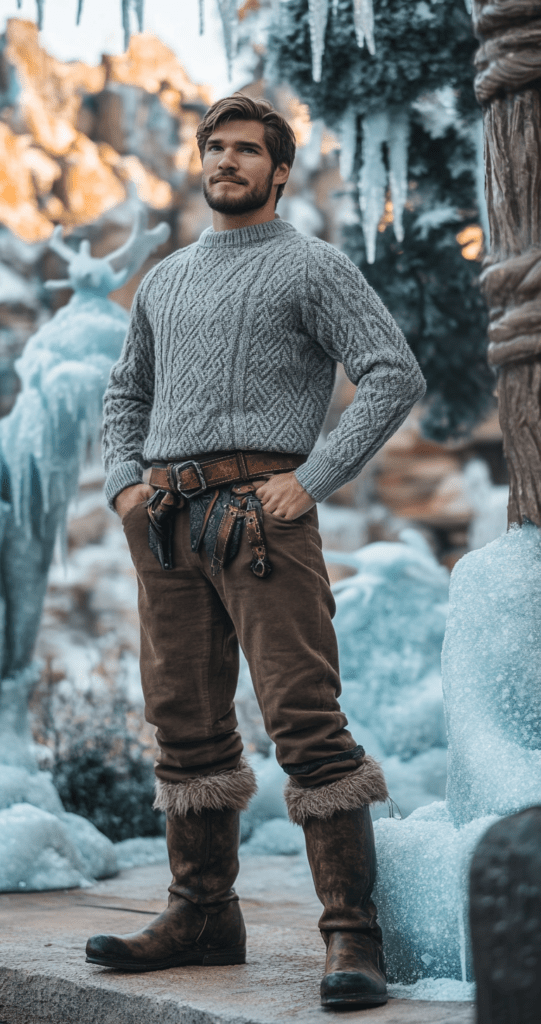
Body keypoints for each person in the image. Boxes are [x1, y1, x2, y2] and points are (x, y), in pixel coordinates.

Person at [86, 94, 426, 1008]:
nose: (227, 161)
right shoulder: (163, 279)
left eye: (247, 150)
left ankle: (353, 938)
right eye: (215, 147)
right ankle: (202, 913)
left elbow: (395, 373)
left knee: (306, 724)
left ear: (279, 171)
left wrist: (311, 481)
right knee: (185, 727)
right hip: (166, 524)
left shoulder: (314, 266)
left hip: (266, 522)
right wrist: (126, 484)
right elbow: (127, 396)